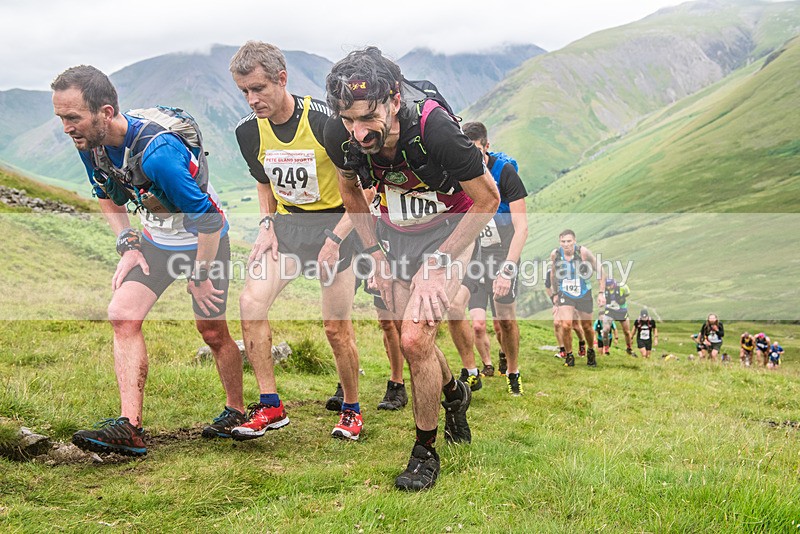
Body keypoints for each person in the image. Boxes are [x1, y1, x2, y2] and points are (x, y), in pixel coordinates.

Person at [323, 47, 500, 490]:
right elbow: (351, 193)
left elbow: (488, 199)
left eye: (368, 118)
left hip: (452, 230)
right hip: (396, 234)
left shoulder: (434, 129)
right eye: (348, 120)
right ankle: (454, 394)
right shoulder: (338, 133)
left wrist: (440, 262)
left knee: (415, 339)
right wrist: (375, 255)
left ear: (394, 100)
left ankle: (425, 452)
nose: (358, 132)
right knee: (414, 342)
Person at [52, 65, 244, 456]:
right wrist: (128, 243)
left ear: (106, 113)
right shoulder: (91, 144)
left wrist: (200, 276)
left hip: (204, 241)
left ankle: (236, 410)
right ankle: (130, 427)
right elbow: (105, 193)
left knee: (211, 331)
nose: (67, 128)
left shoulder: (159, 155)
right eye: (61, 118)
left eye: (73, 117)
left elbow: (210, 220)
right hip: (157, 243)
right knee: (122, 314)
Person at [229, 41, 364, 441]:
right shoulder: (247, 132)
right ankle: (270, 405)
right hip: (288, 228)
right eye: (244, 92)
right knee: (250, 303)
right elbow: (263, 181)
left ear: (282, 79)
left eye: (258, 89)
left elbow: (365, 189)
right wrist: (267, 223)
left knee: (335, 328)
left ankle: (352, 409)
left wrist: (335, 238)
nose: (252, 100)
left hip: (337, 226)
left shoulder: (326, 123)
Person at [447, 121, 528, 396]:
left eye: (478, 152)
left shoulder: (505, 172)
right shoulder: (459, 170)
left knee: (504, 318)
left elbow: (522, 228)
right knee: (454, 306)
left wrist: (507, 270)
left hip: (502, 254)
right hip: (473, 252)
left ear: (487, 146)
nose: (473, 159)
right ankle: (471, 372)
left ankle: (513, 371)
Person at [549, 230, 607, 367]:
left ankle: (590, 351)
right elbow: (553, 275)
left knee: (587, 327)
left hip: (584, 293)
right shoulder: (556, 254)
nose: (566, 244)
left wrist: (601, 292)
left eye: (569, 241)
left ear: (574, 241)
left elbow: (600, 270)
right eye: (563, 241)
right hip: (565, 292)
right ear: (559, 242)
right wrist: (555, 294)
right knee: (566, 325)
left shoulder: (583, 252)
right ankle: (569, 356)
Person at [602, 278, 633, 355]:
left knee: (626, 331)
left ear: (614, 283)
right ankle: (606, 349)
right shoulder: (604, 290)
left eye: (610, 285)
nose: (609, 287)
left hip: (621, 310)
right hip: (610, 310)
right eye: (607, 286)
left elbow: (627, 293)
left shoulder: (622, 287)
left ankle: (629, 348)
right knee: (605, 330)